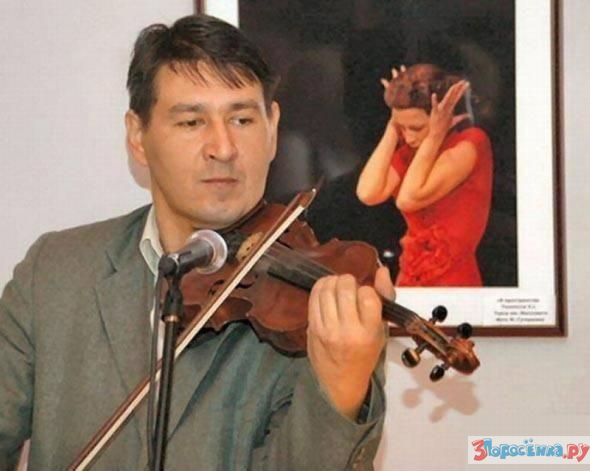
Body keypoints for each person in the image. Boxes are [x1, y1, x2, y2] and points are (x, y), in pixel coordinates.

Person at [0, 14, 394, 470]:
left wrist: (340, 389)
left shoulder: (320, 312)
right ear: (138, 137)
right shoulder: (53, 273)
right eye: (191, 122)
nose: (223, 148)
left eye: (242, 119)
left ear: (272, 129)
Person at [356, 64, 493, 286]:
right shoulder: (410, 152)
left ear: (442, 116)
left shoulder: (470, 143)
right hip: (411, 272)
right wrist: (393, 125)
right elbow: (368, 193)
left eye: (416, 128)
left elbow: (408, 199)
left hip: (452, 277)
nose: (408, 137)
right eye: (403, 128)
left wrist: (434, 136)